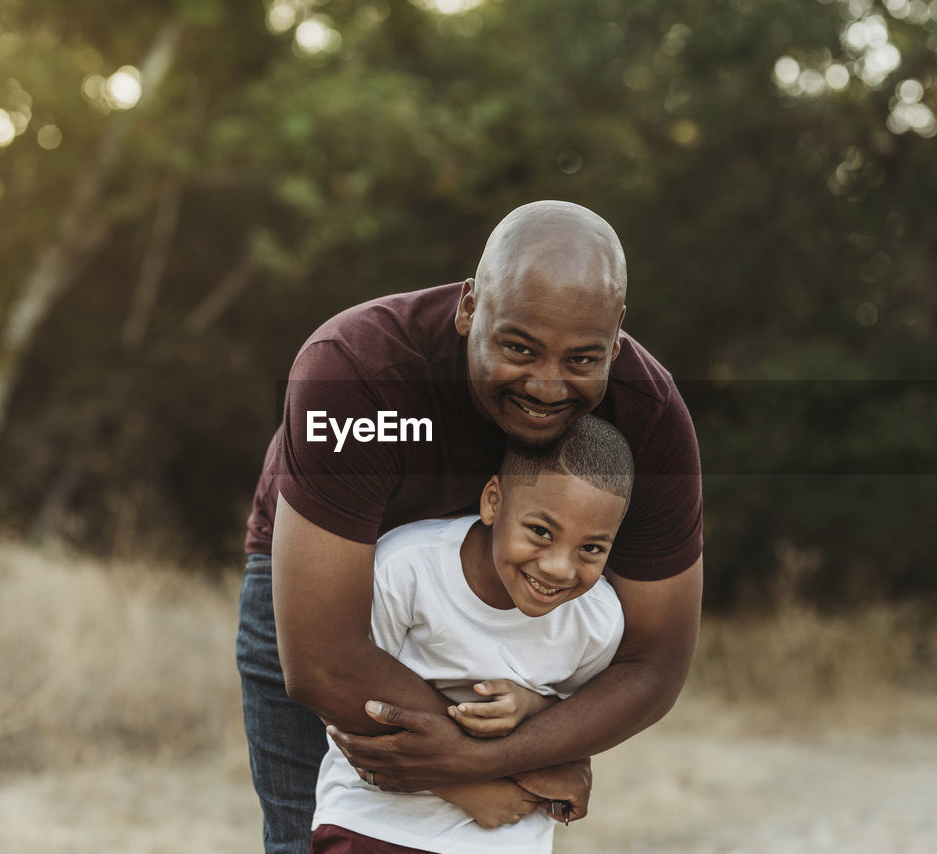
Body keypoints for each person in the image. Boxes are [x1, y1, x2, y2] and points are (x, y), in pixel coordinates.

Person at [237, 200, 703, 854]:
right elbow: (321, 657)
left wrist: (480, 761)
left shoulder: (649, 420)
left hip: (501, 626)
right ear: (468, 307)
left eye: (581, 360)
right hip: (329, 593)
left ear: (617, 333)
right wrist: (509, 766)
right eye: (518, 348)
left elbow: (655, 663)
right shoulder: (358, 371)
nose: (547, 385)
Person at [312, 416, 633, 854]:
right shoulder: (405, 567)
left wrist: (533, 706)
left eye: (591, 549)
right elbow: (344, 698)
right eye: (540, 531)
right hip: (373, 826)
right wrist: (464, 785)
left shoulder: (596, 622)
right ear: (493, 501)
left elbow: (576, 722)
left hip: (505, 841)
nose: (560, 567)